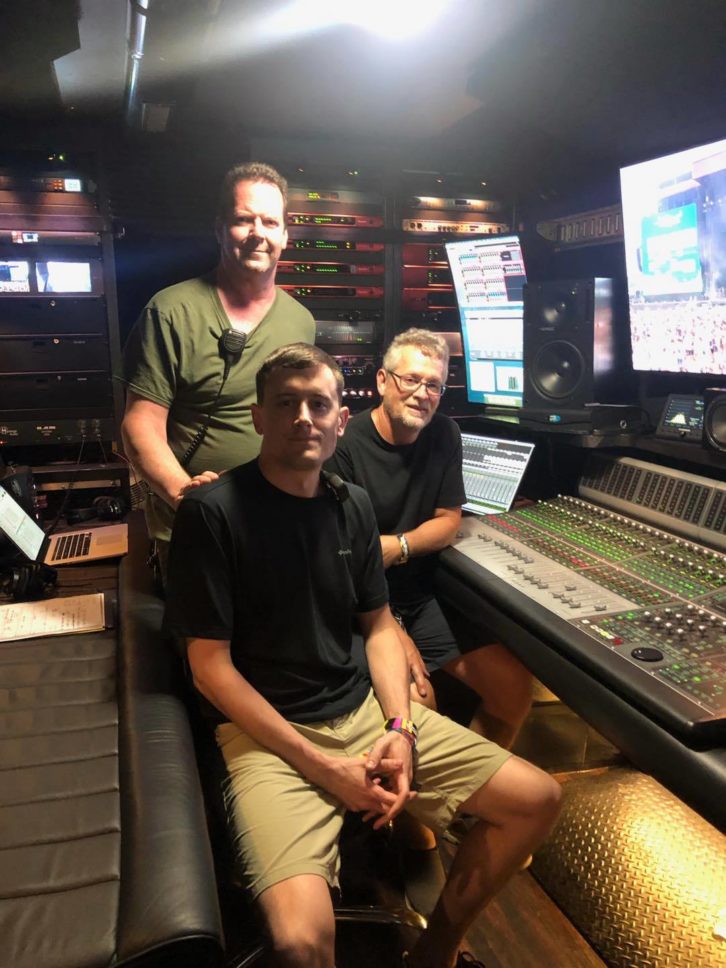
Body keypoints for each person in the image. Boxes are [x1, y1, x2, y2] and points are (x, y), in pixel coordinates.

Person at [163, 343, 561, 968]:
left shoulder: (351, 506)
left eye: (318, 404)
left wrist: (400, 731)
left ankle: (435, 953)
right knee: (301, 941)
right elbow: (209, 667)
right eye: (286, 403)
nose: (304, 417)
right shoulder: (212, 515)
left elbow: (377, 626)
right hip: (267, 737)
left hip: (364, 715)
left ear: (339, 420)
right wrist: (320, 765)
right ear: (257, 417)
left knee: (536, 799)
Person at [326, 328, 533, 751]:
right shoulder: (343, 446)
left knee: (513, 690)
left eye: (434, 385)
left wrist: (395, 548)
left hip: (420, 596)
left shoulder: (445, 434)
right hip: (362, 606)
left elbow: (447, 522)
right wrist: (393, 632)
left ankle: (470, 804)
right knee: (421, 703)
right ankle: (418, 813)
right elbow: (342, 559)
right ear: (383, 381)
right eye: (411, 380)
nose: (423, 394)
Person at [120, 161, 315, 580]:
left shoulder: (301, 322)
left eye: (269, 221)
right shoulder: (170, 311)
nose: (258, 233)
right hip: (194, 528)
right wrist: (184, 496)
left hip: (274, 526)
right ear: (220, 229)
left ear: (285, 234)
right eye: (244, 219)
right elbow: (140, 425)